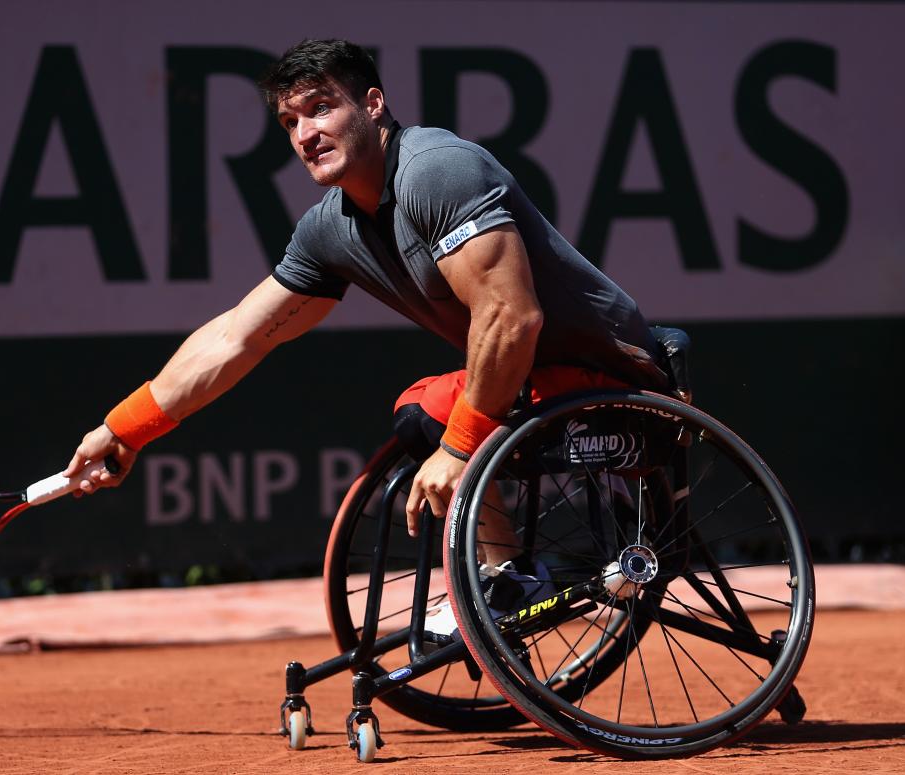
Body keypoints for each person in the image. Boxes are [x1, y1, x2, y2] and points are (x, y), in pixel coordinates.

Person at [63, 39, 667, 607]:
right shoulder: (329, 229)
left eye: (321, 109)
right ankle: (508, 579)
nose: (305, 134)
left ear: (373, 104)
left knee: (440, 416)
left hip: (615, 376)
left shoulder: (435, 170)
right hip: (534, 388)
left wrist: (460, 447)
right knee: (421, 409)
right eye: (290, 123)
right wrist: (124, 430)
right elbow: (239, 336)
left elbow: (511, 316)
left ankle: (504, 574)